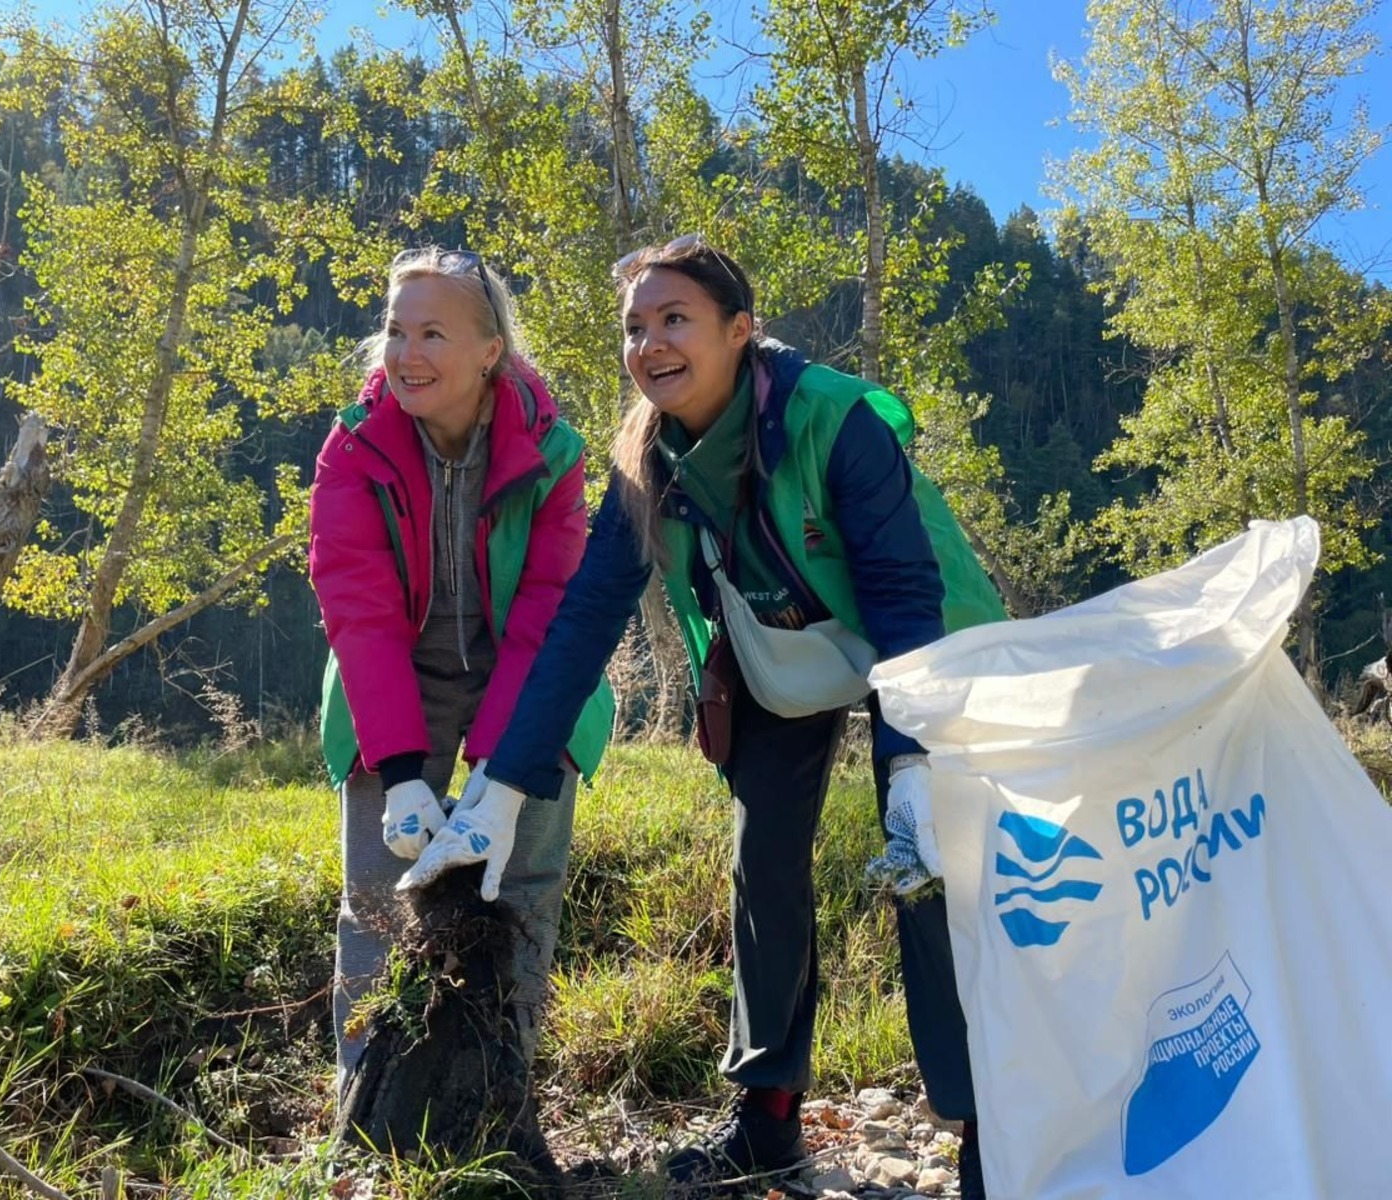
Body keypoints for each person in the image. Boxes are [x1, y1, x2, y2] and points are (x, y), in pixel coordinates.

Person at [400, 235, 1001, 1195]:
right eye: (635, 328)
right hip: (775, 656)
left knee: (929, 869)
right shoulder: (648, 459)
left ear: (740, 330)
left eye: (675, 319)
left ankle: (985, 1132)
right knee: (761, 862)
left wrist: (914, 766)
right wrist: (497, 791)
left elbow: (900, 598)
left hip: (921, 645)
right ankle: (768, 1123)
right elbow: (582, 626)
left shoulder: (834, 421)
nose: (651, 344)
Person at [308, 246, 614, 1093]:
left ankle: (494, 1102)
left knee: (520, 894)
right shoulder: (355, 446)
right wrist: (403, 771)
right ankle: (365, 1110)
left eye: (434, 333)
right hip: (390, 683)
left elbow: (545, 614)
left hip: (529, 680)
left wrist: (500, 775)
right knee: (374, 902)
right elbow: (359, 611)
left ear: (491, 351)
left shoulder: (553, 452)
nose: (407, 354)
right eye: (396, 331)